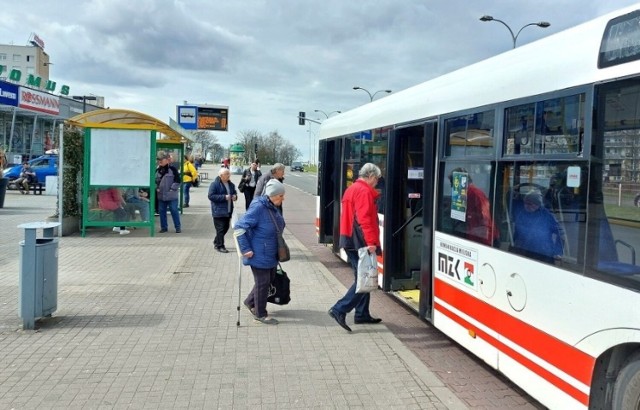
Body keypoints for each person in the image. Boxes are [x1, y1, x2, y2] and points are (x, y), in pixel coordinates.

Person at [328, 163, 383, 332]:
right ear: (371, 176)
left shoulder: (352, 188)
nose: (377, 182)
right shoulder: (364, 191)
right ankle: (339, 309)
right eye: (377, 179)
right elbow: (364, 219)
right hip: (359, 241)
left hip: (349, 238)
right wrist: (371, 242)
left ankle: (361, 314)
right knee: (364, 279)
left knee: (363, 275)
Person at [234, 179, 286, 325]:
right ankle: (260, 313)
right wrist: (246, 249)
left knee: (268, 279)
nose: (283, 198)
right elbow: (239, 227)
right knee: (263, 282)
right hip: (258, 252)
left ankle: (250, 301)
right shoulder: (258, 207)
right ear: (272, 195)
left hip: (269, 251)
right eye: (281, 195)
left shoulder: (271, 206)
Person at [448, 168, 499, 247]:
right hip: (474, 236)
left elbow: (485, 219)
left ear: (461, 181)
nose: (451, 186)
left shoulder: (475, 194)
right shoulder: (464, 195)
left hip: (483, 239)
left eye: (452, 183)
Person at [511, 189, 563, 264]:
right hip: (524, 250)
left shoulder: (546, 216)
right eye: (525, 203)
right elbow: (517, 232)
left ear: (537, 204)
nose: (527, 206)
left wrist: (557, 251)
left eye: (530, 204)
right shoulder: (521, 214)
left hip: (543, 253)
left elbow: (560, 232)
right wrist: (512, 247)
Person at [208, 167, 238, 252]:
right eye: (227, 174)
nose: (229, 176)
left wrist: (235, 196)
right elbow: (211, 196)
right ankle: (220, 246)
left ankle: (217, 241)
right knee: (220, 229)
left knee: (226, 227)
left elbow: (234, 192)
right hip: (218, 211)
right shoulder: (214, 184)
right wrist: (224, 197)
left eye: (229, 174)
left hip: (228, 210)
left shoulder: (230, 184)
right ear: (221, 176)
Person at [156, 152, 181, 233]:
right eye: (158, 159)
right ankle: (164, 227)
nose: (159, 161)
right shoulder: (157, 170)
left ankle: (177, 227)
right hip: (161, 195)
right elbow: (154, 181)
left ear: (167, 160)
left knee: (174, 210)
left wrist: (172, 189)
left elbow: (178, 180)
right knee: (162, 211)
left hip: (171, 195)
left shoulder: (173, 169)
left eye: (161, 159)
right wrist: (156, 187)